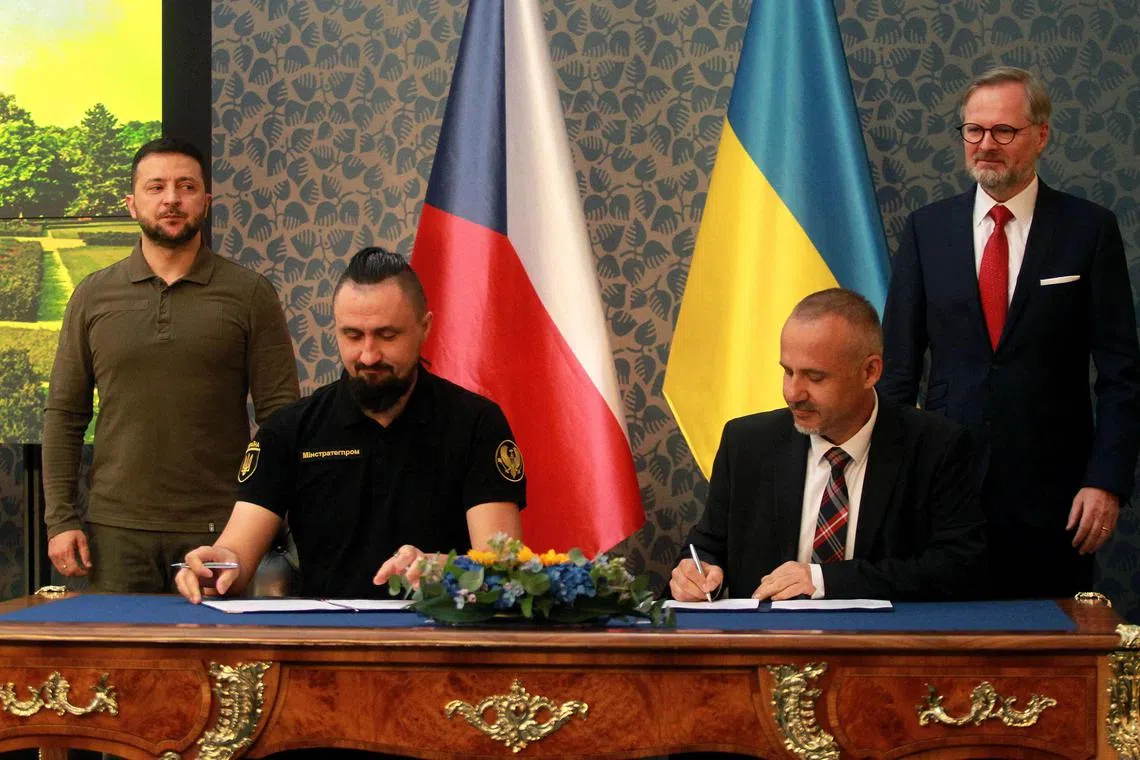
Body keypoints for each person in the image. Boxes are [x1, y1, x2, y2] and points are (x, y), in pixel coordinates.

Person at [879, 66, 1140, 598]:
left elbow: (1122, 374)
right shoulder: (927, 230)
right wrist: (887, 483)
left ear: (1041, 135)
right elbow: (898, 370)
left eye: (1004, 131)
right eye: (973, 131)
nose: (985, 145)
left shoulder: (1088, 230)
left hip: (1056, 496)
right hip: (943, 489)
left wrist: (1106, 480)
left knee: (1049, 660)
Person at [176, 247, 525, 603]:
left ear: (425, 328)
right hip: (327, 643)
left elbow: (503, 568)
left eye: (387, 336)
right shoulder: (289, 430)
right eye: (353, 335)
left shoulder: (477, 424)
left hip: (441, 638)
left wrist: (443, 568)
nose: (369, 355)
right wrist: (217, 568)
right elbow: (235, 556)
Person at [43, 137, 300, 593]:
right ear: (131, 203)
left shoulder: (250, 294)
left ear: (206, 200)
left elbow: (280, 419)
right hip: (117, 533)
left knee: (217, 665)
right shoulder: (92, 295)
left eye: (186, 187)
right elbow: (65, 415)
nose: (171, 200)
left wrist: (259, 518)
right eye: (156, 187)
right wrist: (61, 518)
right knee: (123, 666)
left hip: (221, 533)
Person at [670, 289, 986, 602]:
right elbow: (707, 546)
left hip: (882, 646)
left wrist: (823, 580)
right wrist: (695, 572)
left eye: (815, 377)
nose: (793, 393)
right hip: (767, 646)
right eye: (788, 371)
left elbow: (957, 567)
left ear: (869, 371)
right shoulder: (748, 443)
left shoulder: (936, 446)